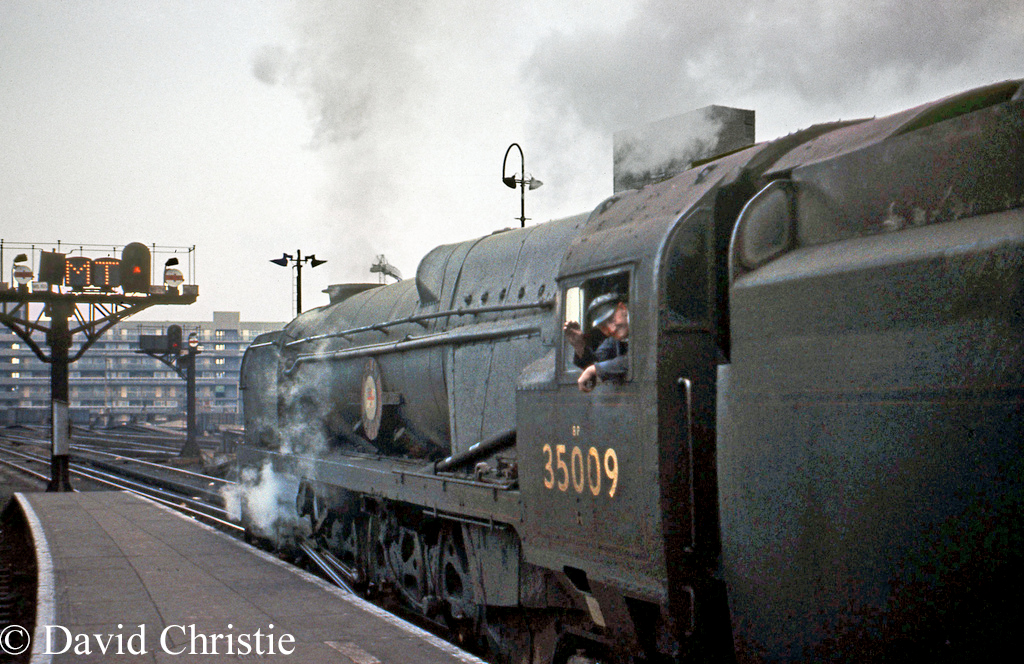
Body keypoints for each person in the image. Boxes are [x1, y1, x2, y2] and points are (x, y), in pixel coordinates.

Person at [563, 292, 629, 393]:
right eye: (603, 326)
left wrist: (594, 369)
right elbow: (596, 362)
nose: (611, 329)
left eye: (611, 319)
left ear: (622, 308)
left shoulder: (645, 321)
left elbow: (639, 358)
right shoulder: (613, 340)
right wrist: (580, 345)